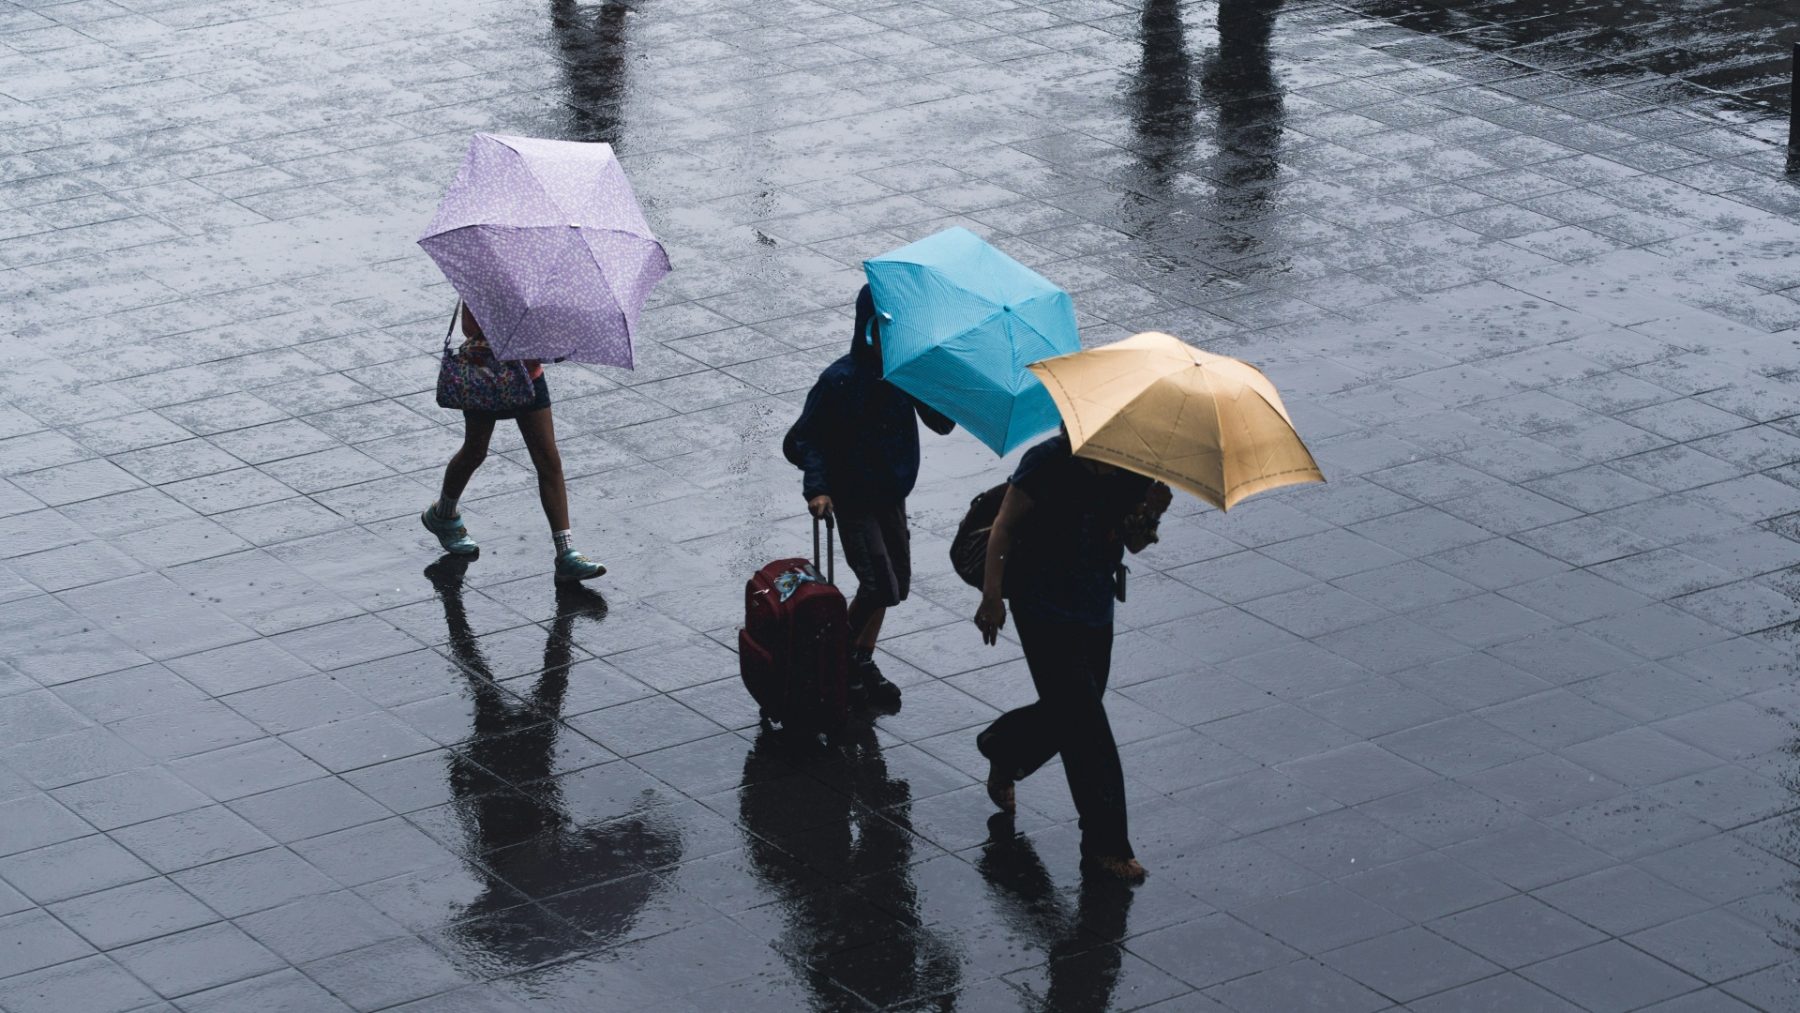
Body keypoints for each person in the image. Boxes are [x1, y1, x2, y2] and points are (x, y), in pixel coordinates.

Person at [972, 430, 1171, 883]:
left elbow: (1133, 542)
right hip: (1042, 609)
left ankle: (1004, 746)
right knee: (1087, 728)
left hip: (1094, 607)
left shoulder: (1130, 466)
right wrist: (992, 595)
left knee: (1074, 710)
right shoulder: (1045, 462)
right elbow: (1005, 525)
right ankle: (1106, 845)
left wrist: (1151, 511)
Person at [787, 285, 955, 710]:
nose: (892, 341)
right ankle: (836, 658)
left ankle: (858, 658)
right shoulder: (840, 381)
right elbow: (803, 439)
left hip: (891, 497)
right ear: (867, 329)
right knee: (879, 584)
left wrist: (943, 380)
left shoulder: (905, 375)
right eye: (884, 331)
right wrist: (819, 487)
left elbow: (941, 423)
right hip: (855, 500)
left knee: (894, 587)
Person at [421, 302, 606, 582]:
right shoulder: (483, 274)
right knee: (475, 450)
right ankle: (443, 514)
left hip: (529, 375)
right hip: (486, 372)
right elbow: (470, 327)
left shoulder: (539, 283)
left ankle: (566, 553)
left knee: (548, 459)